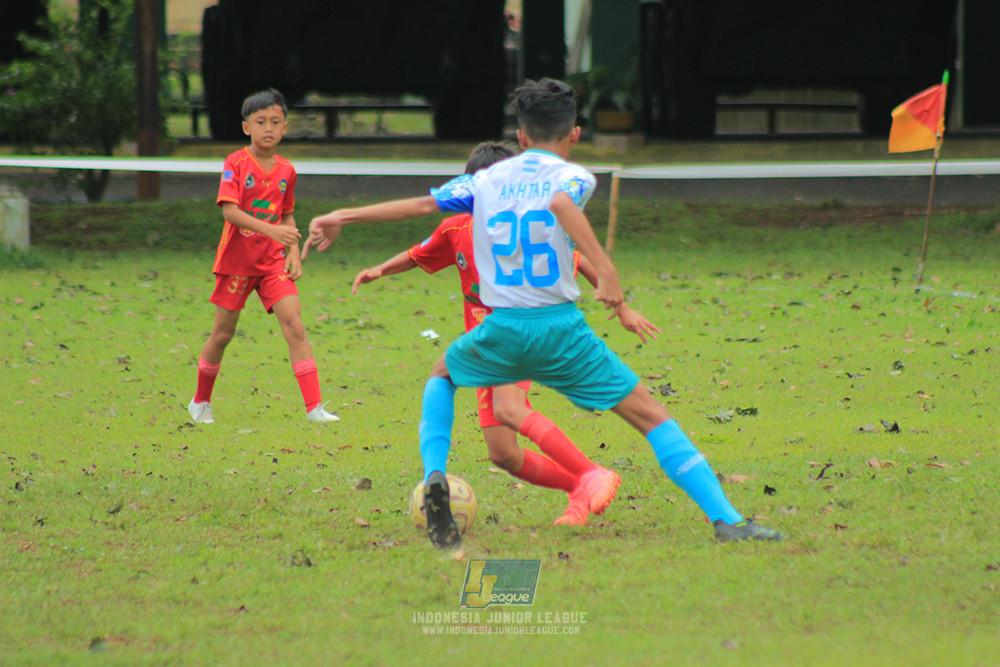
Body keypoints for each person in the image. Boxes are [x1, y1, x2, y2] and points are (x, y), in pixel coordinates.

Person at [306, 78, 784, 549]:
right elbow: (559, 202)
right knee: (651, 418)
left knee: (442, 377)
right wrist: (607, 271)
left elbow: (418, 204)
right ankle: (726, 520)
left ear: (520, 135)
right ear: (574, 133)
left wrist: (341, 216)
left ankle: (435, 476)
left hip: (500, 329)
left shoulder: (484, 180)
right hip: (562, 332)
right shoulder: (573, 177)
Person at [350, 140, 659, 526]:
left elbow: (579, 261)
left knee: (509, 408)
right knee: (503, 455)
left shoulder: (532, 227)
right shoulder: (456, 228)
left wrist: (620, 305)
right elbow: (418, 254)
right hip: (481, 350)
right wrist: (381, 268)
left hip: (519, 336)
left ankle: (590, 473)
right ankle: (579, 487)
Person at [187, 88, 340, 425]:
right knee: (223, 335)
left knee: (295, 325)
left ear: (285, 128)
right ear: (246, 128)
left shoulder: (287, 170)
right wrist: (272, 232)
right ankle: (200, 401)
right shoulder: (236, 163)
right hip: (236, 263)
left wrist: (294, 250)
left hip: (272, 263)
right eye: (260, 122)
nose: (268, 128)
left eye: (275, 122)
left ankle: (314, 408)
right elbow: (230, 212)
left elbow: (286, 216)